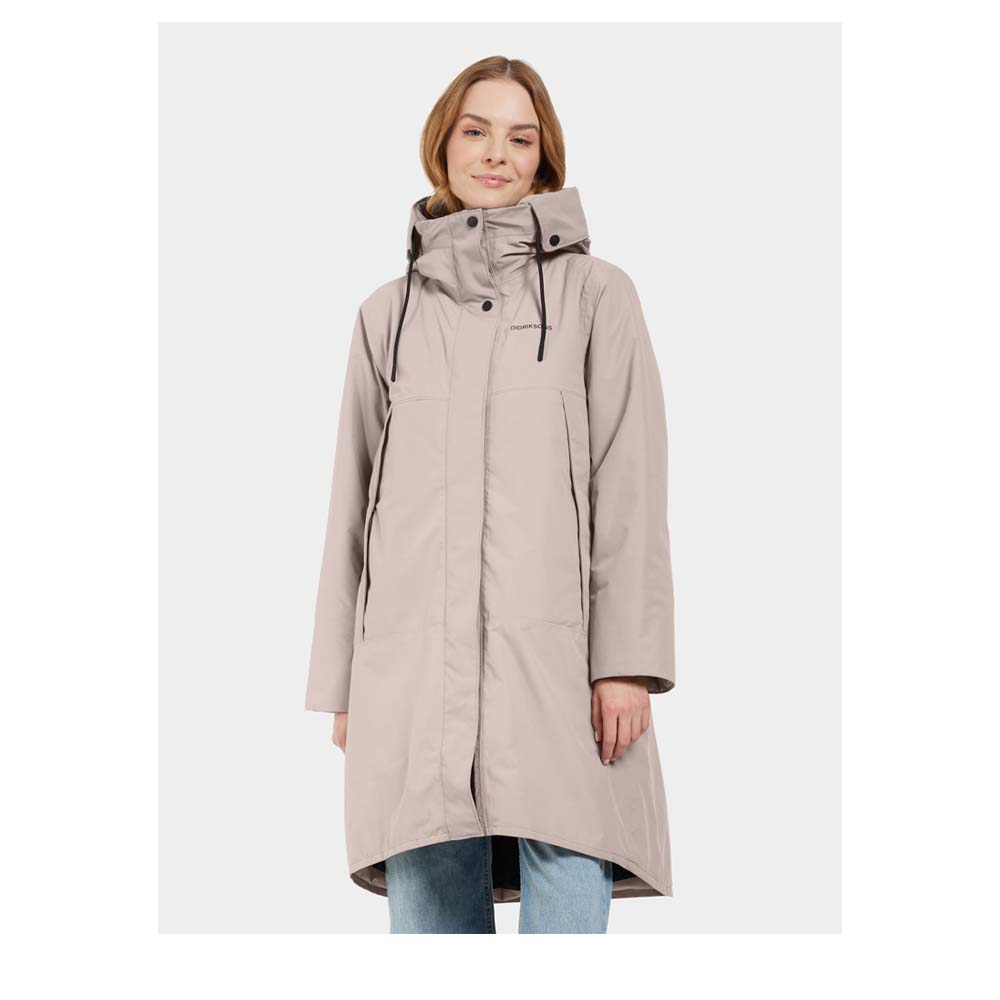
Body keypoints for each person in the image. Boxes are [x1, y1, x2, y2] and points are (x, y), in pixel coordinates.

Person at [305, 56, 676, 934]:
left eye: (520, 136)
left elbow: (629, 483)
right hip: (409, 671)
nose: (496, 153)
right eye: (476, 130)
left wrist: (625, 663)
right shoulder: (387, 315)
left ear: (545, 158)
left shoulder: (598, 296)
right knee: (430, 902)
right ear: (444, 144)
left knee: (569, 871)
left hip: (556, 663)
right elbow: (351, 504)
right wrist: (346, 685)